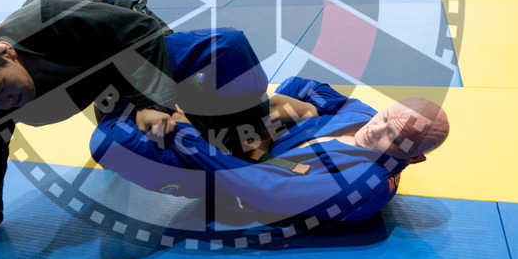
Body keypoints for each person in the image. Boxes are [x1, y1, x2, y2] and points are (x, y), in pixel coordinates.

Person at [0, 0, 266, 258]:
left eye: (2, 89)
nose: (6, 102)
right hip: (105, 91)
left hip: (133, 51)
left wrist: (158, 101)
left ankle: (253, 131)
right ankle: (212, 178)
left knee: (227, 44)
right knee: (112, 145)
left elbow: (140, 32)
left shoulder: (50, 18)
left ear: (8, 52)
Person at [95, 78, 449, 222]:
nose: (376, 129)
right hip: (245, 142)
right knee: (218, 66)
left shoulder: (363, 184)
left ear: (413, 157)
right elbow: (310, 87)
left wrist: (190, 136)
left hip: (219, 180)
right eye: (385, 117)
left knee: (109, 142)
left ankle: (113, 98)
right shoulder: (364, 116)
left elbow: (264, 190)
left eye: (393, 137)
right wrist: (267, 114)